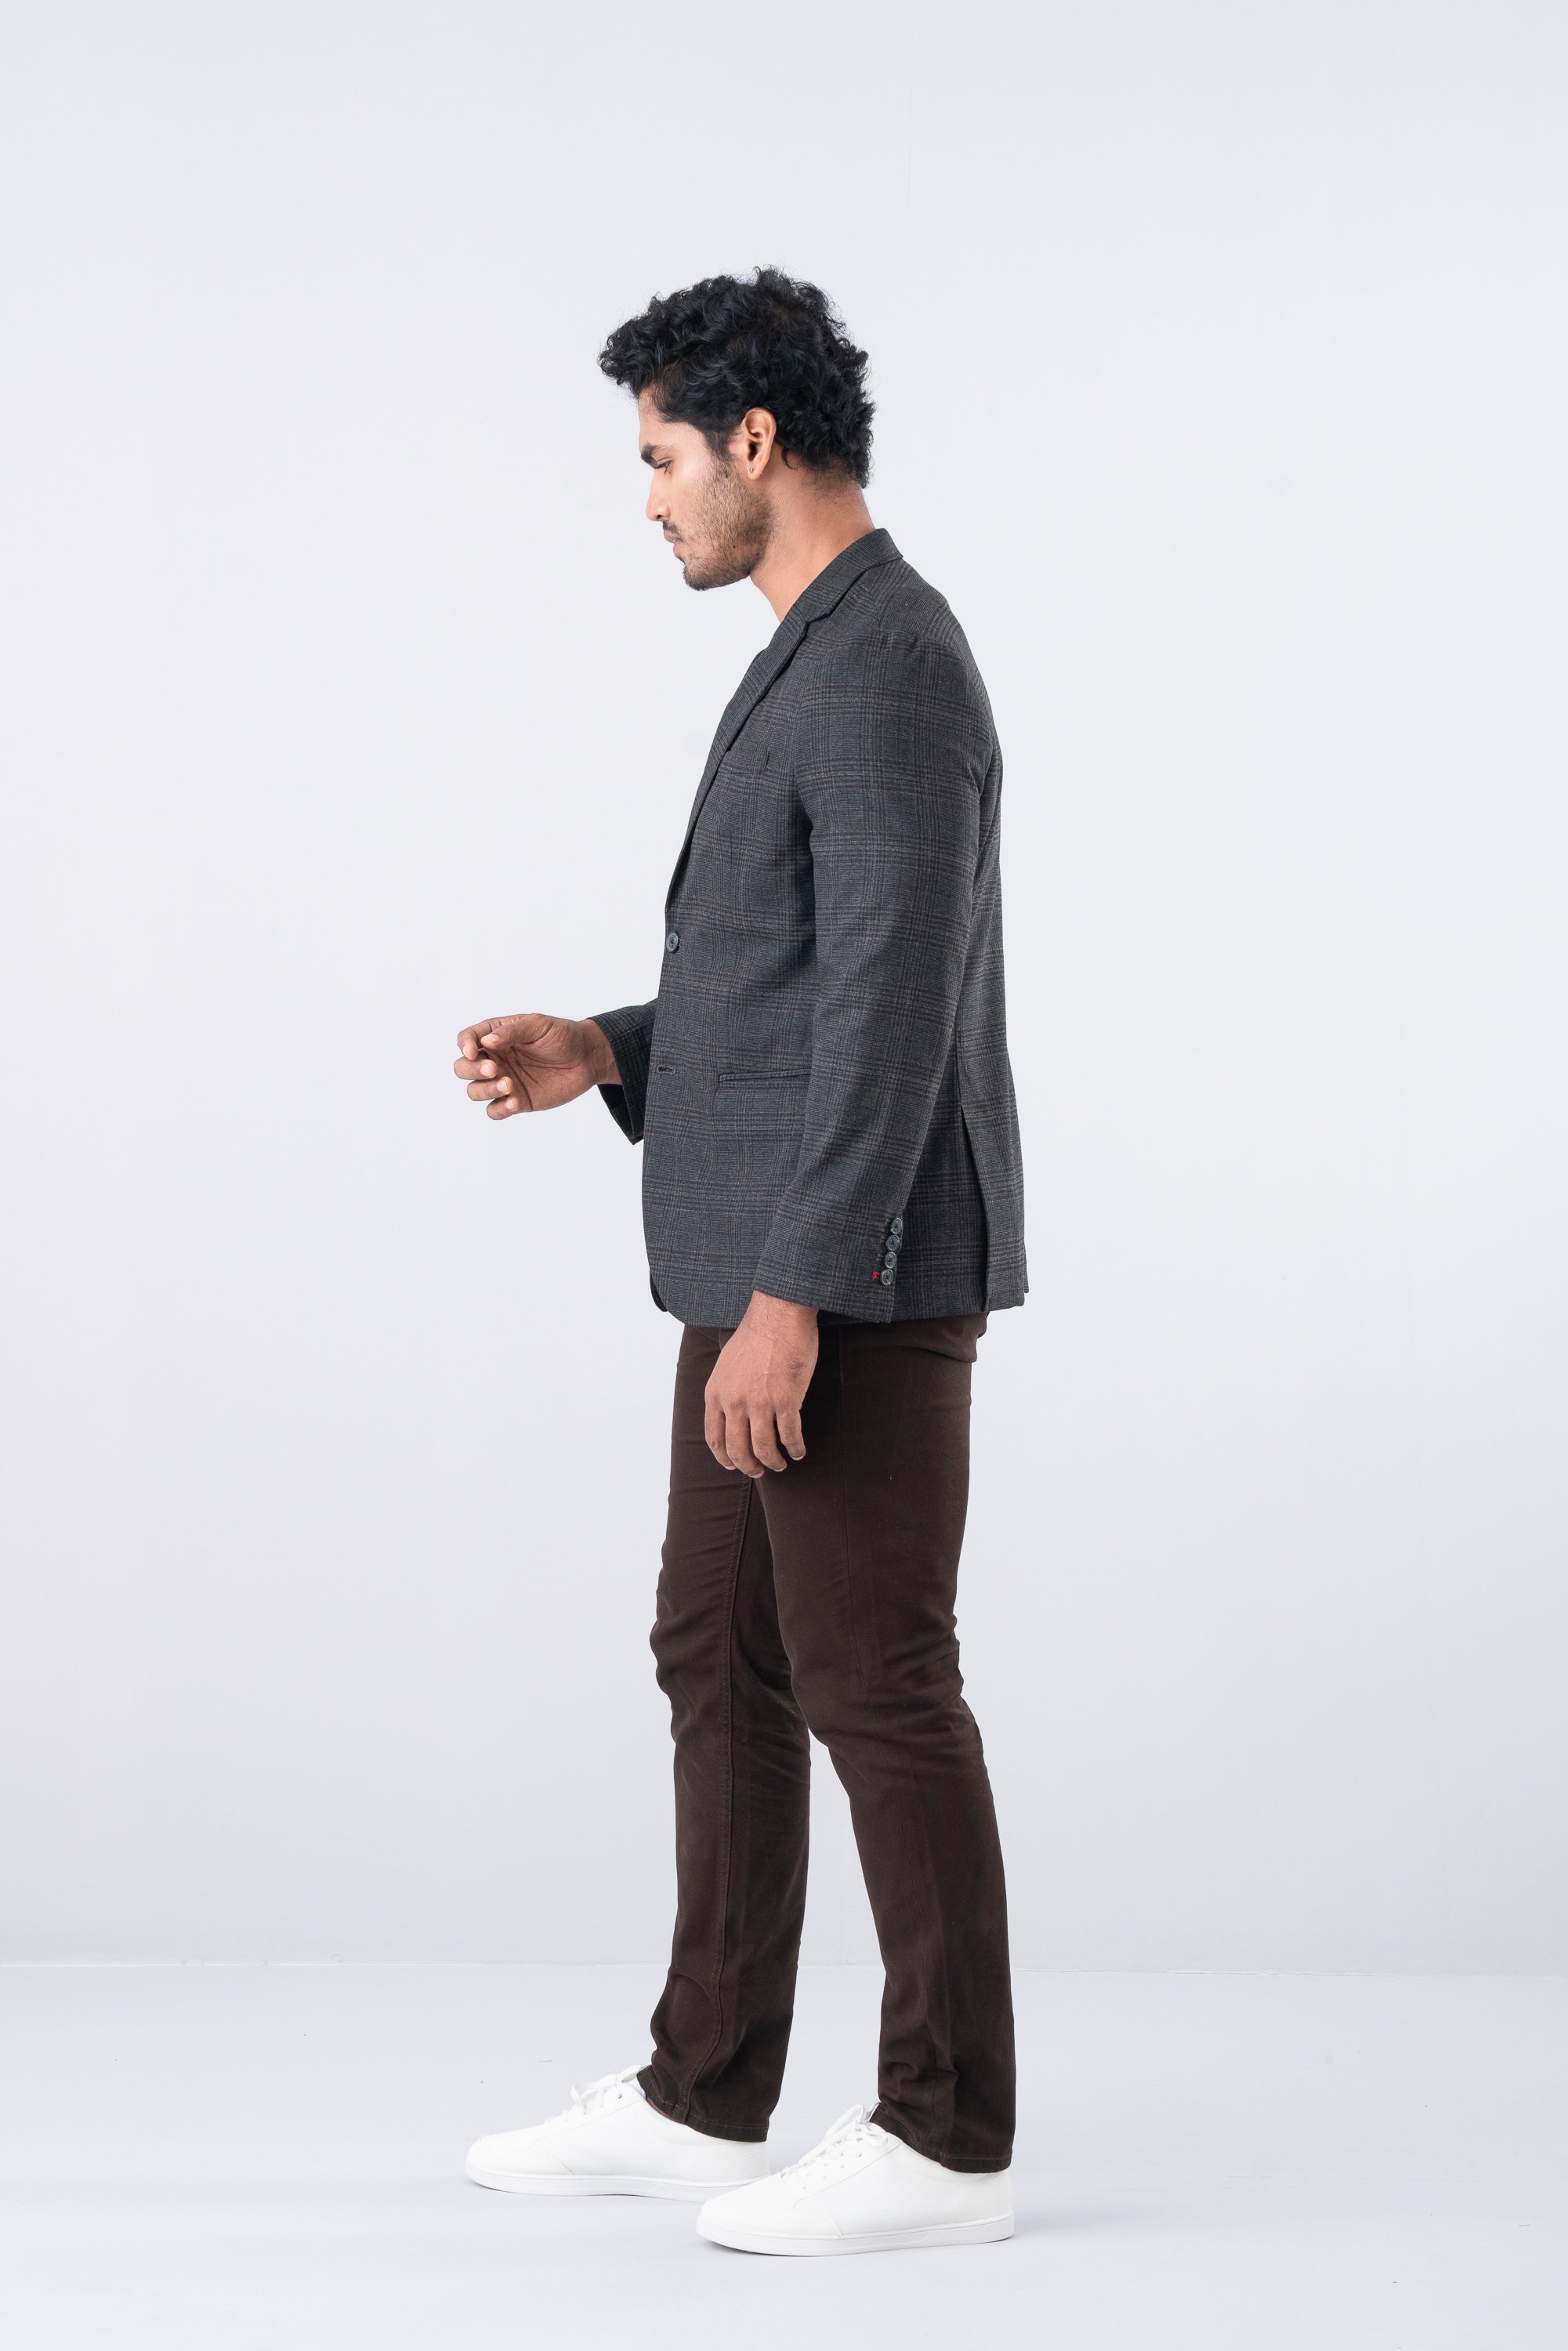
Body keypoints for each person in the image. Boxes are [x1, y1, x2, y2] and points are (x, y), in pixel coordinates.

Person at [454, 268, 1027, 2259]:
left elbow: (887, 1003)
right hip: (756, 1263)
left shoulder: (887, 663)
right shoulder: (817, 647)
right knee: (717, 1654)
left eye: (658, 458)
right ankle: (706, 2094)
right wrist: (610, 1048)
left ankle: (947, 2138)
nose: (646, 500)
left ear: (753, 443)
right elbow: (785, 976)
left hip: (840, 1278)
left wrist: (795, 1298)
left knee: (876, 1679)